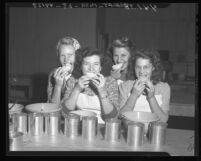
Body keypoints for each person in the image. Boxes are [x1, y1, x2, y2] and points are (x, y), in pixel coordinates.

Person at [61, 47, 119, 124]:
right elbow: (64, 113)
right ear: (81, 66)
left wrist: (102, 91)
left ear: (100, 67)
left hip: (103, 127)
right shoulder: (73, 80)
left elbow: (113, 117)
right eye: (86, 64)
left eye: (96, 64)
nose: (91, 68)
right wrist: (77, 89)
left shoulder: (110, 82)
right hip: (79, 125)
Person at [119, 49, 171, 123]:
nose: (141, 71)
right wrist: (133, 95)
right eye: (138, 67)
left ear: (153, 68)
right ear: (134, 68)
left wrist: (151, 97)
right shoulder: (125, 86)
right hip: (131, 131)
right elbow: (121, 117)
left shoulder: (164, 88)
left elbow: (163, 120)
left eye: (146, 67)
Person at [47, 36, 81, 104]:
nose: (66, 60)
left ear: (77, 56)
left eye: (70, 55)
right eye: (62, 55)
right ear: (58, 56)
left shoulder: (82, 76)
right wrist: (57, 85)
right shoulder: (53, 75)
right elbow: (52, 107)